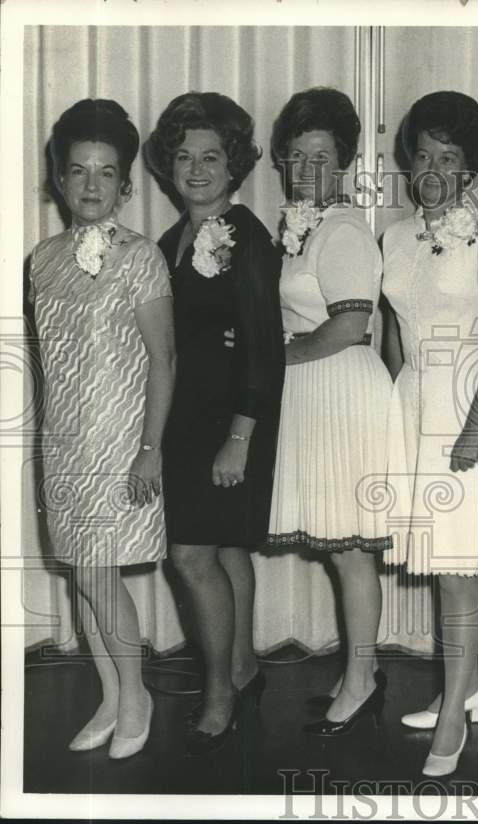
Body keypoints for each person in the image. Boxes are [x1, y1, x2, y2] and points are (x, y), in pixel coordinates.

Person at [29, 99, 175, 759]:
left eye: (107, 172)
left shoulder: (142, 258)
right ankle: (113, 697)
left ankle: (135, 694)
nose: (92, 185)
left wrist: (150, 450)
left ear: (125, 184)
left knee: (99, 574)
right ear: (60, 178)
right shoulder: (41, 259)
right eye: (79, 170)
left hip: (121, 444)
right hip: (62, 442)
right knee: (83, 576)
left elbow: (164, 358)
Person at [145, 92, 285, 756]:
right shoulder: (172, 239)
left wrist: (240, 437)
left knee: (190, 556)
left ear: (235, 165)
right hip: (183, 424)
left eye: (211, 157)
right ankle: (243, 668)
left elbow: (264, 345)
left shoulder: (248, 234)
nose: (196, 169)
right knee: (224, 549)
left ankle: (220, 695)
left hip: (231, 424)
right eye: (184, 156)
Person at [381, 91, 478, 777]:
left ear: (469, 170)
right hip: (412, 414)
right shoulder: (395, 236)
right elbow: (396, 339)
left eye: (449, 158)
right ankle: (462, 689)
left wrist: (471, 429)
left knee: (459, 571)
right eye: (424, 155)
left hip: (467, 418)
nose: (433, 169)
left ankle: (453, 721)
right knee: (439, 568)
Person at [264, 87, 393, 735]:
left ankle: (364, 677)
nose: (308, 169)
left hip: (343, 391)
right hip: (318, 393)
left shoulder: (342, 230)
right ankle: (357, 670)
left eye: (322, 156)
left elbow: (349, 328)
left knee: (350, 550)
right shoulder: (303, 227)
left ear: (341, 161)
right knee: (340, 548)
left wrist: (275, 360)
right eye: (297, 156)